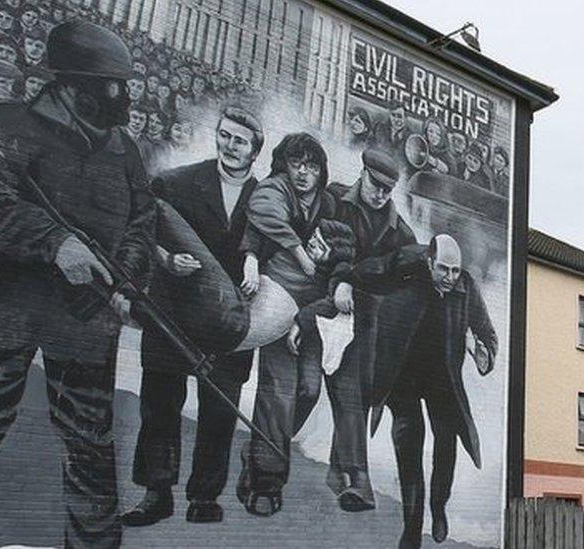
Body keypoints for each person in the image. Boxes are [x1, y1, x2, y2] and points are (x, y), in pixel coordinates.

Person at [0, 21, 155, 549]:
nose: (122, 96)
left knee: (90, 445)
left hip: (85, 319)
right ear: (73, 84)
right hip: (0, 312)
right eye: (113, 85)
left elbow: (141, 221)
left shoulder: (124, 150)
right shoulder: (7, 124)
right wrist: (54, 241)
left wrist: (127, 280)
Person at [122, 107, 265, 528]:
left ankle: (204, 496)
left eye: (240, 140)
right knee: (161, 403)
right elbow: (138, 227)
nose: (229, 146)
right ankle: (156, 493)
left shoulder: (268, 199)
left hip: (229, 322)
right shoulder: (177, 182)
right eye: (224, 136)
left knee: (219, 411)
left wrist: (256, 265)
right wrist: (165, 259)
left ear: (255, 150)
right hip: (175, 311)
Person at [289, 148, 416, 513]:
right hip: (313, 311)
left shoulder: (399, 231)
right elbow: (308, 247)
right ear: (363, 174)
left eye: (387, 190)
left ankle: (356, 481)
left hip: (355, 325)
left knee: (350, 398)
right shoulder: (332, 202)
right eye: (375, 185)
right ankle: (273, 447)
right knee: (306, 390)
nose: (380, 195)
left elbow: (403, 281)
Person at [352, 236, 497, 548]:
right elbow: (363, 273)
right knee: (409, 446)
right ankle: (413, 528)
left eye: (455, 271)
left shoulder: (465, 287)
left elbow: (487, 331)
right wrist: (344, 281)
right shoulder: (406, 269)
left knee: (447, 443)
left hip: (442, 379)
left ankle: (438, 507)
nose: (449, 277)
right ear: (429, 262)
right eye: (443, 269)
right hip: (402, 377)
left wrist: (484, 352)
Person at [236, 133, 344, 517]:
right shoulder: (275, 190)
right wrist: (250, 260)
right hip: (277, 299)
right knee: (277, 393)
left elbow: (342, 255)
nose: (303, 172)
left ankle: (262, 450)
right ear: (285, 163)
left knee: (308, 391)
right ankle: (266, 482)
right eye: (297, 163)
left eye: (312, 165)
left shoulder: (330, 204)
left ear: (321, 170)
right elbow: (256, 230)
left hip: (312, 310)